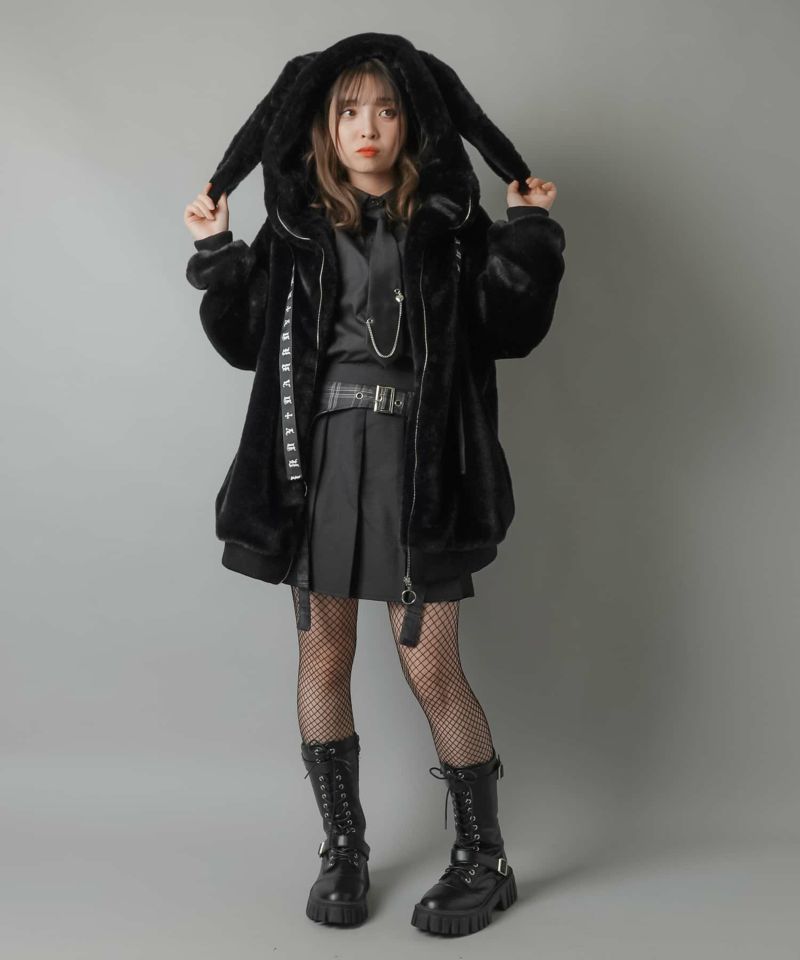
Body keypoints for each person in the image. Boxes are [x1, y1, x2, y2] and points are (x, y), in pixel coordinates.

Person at [184, 33, 566, 938]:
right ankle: (344, 849)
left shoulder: (450, 225)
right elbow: (244, 343)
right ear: (323, 124)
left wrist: (529, 232)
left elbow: (508, 329)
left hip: (421, 464)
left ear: (412, 123)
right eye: (349, 110)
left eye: (387, 110)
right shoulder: (296, 229)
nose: (368, 127)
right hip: (315, 464)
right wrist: (217, 249)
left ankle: (485, 860)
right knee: (323, 656)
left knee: (431, 667)